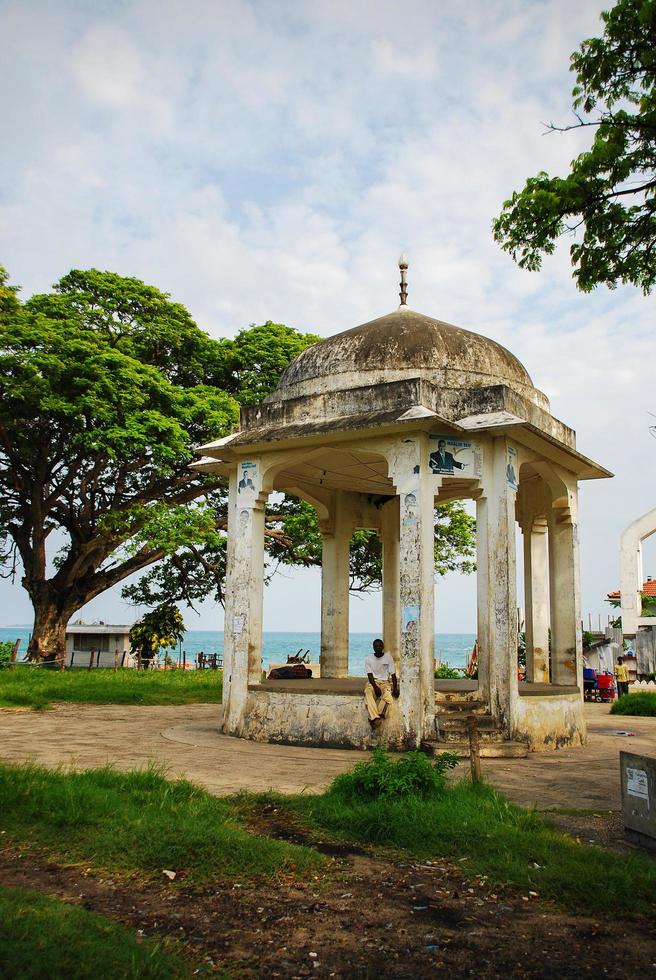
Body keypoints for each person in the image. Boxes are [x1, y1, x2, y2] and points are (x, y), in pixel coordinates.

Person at [364, 638, 399, 728]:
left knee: (388, 698)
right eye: (376, 646)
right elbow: (370, 675)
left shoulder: (388, 657)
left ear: (383, 647)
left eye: (380, 646)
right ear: (373, 647)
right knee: (368, 693)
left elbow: (393, 674)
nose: (378, 648)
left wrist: (395, 688)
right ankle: (375, 718)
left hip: (385, 683)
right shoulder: (368, 659)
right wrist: (375, 687)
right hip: (373, 682)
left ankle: (376, 715)